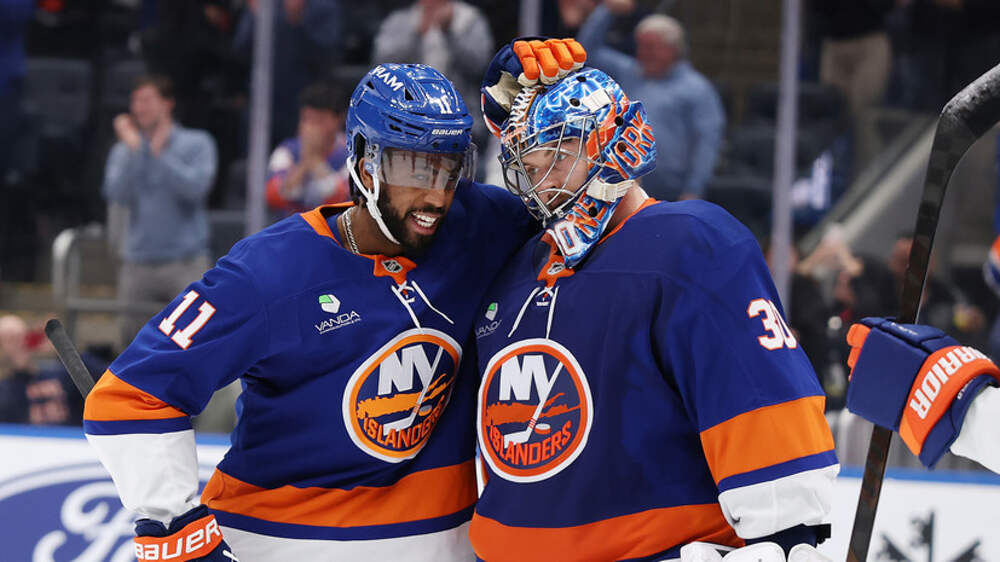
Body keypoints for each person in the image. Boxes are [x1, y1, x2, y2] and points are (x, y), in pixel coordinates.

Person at [81, 53, 588, 559]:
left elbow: (589, 208)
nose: (436, 196)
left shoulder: (480, 224)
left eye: (449, 169)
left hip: (438, 542)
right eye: (415, 168)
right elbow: (129, 396)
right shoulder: (270, 271)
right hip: (278, 542)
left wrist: (542, 108)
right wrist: (176, 530)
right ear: (365, 161)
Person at [470, 44, 836, 562]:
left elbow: (760, 397)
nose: (542, 182)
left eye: (557, 156)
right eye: (529, 164)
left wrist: (786, 536)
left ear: (613, 142)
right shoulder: (513, 267)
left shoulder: (691, 243)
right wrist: (504, 82)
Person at [102, 75, 218, 347]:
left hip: (185, 261)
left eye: (146, 100)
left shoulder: (197, 142)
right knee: (131, 345)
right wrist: (137, 152)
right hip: (137, 263)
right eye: (135, 101)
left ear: (167, 103)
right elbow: (116, 194)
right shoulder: (125, 150)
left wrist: (155, 154)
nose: (139, 108)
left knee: (195, 343)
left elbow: (195, 190)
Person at [576, 0, 725, 201]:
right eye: (641, 46)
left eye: (652, 47)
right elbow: (587, 51)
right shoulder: (630, 72)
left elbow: (707, 142)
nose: (644, 54)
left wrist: (694, 189)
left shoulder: (697, 89)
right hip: (622, 187)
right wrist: (607, 11)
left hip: (671, 193)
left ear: (674, 49)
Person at [372, 0, 494, 150]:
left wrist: (449, 32)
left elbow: (479, 65)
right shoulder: (400, 20)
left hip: (460, 117)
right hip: (406, 117)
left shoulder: (470, 20)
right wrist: (415, 35)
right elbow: (382, 64)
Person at [266, 81, 351, 219]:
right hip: (293, 226)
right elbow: (274, 197)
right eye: (306, 119)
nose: (311, 128)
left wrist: (315, 161)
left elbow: (340, 200)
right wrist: (304, 163)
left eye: (319, 121)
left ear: (338, 120)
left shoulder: (352, 153)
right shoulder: (287, 150)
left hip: (332, 228)